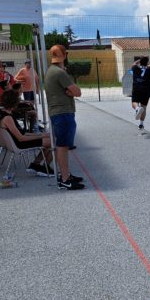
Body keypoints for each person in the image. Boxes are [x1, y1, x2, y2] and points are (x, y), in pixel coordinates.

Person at [45, 44, 85, 190]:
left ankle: (65, 175)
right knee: (63, 146)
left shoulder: (51, 71)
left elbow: (72, 91)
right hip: (63, 113)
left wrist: (70, 91)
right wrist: (71, 90)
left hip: (58, 112)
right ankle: (65, 179)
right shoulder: (60, 73)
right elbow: (77, 92)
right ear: (65, 55)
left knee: (62, 145)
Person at [0, 89, 53, 176]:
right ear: (14, 103)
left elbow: (23, 133)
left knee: (49, 139)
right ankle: (45, 168)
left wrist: (42, 134)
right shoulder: (8, 118)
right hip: (19, 144)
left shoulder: (0, 113)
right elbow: (21, 138)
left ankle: (35, 165)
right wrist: (40, 136)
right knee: (53, 142)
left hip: (15, 142)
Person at [131, 56, 150, 134]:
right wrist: (146, 61)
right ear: (147, 62)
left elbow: (134, 64)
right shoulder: (149, 69)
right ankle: (141, 124)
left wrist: (139, 60)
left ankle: (137, 108)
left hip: (137, 88)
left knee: (134, 102)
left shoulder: (135, 68)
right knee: (143, 107)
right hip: (146, 90)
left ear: (140, 62)